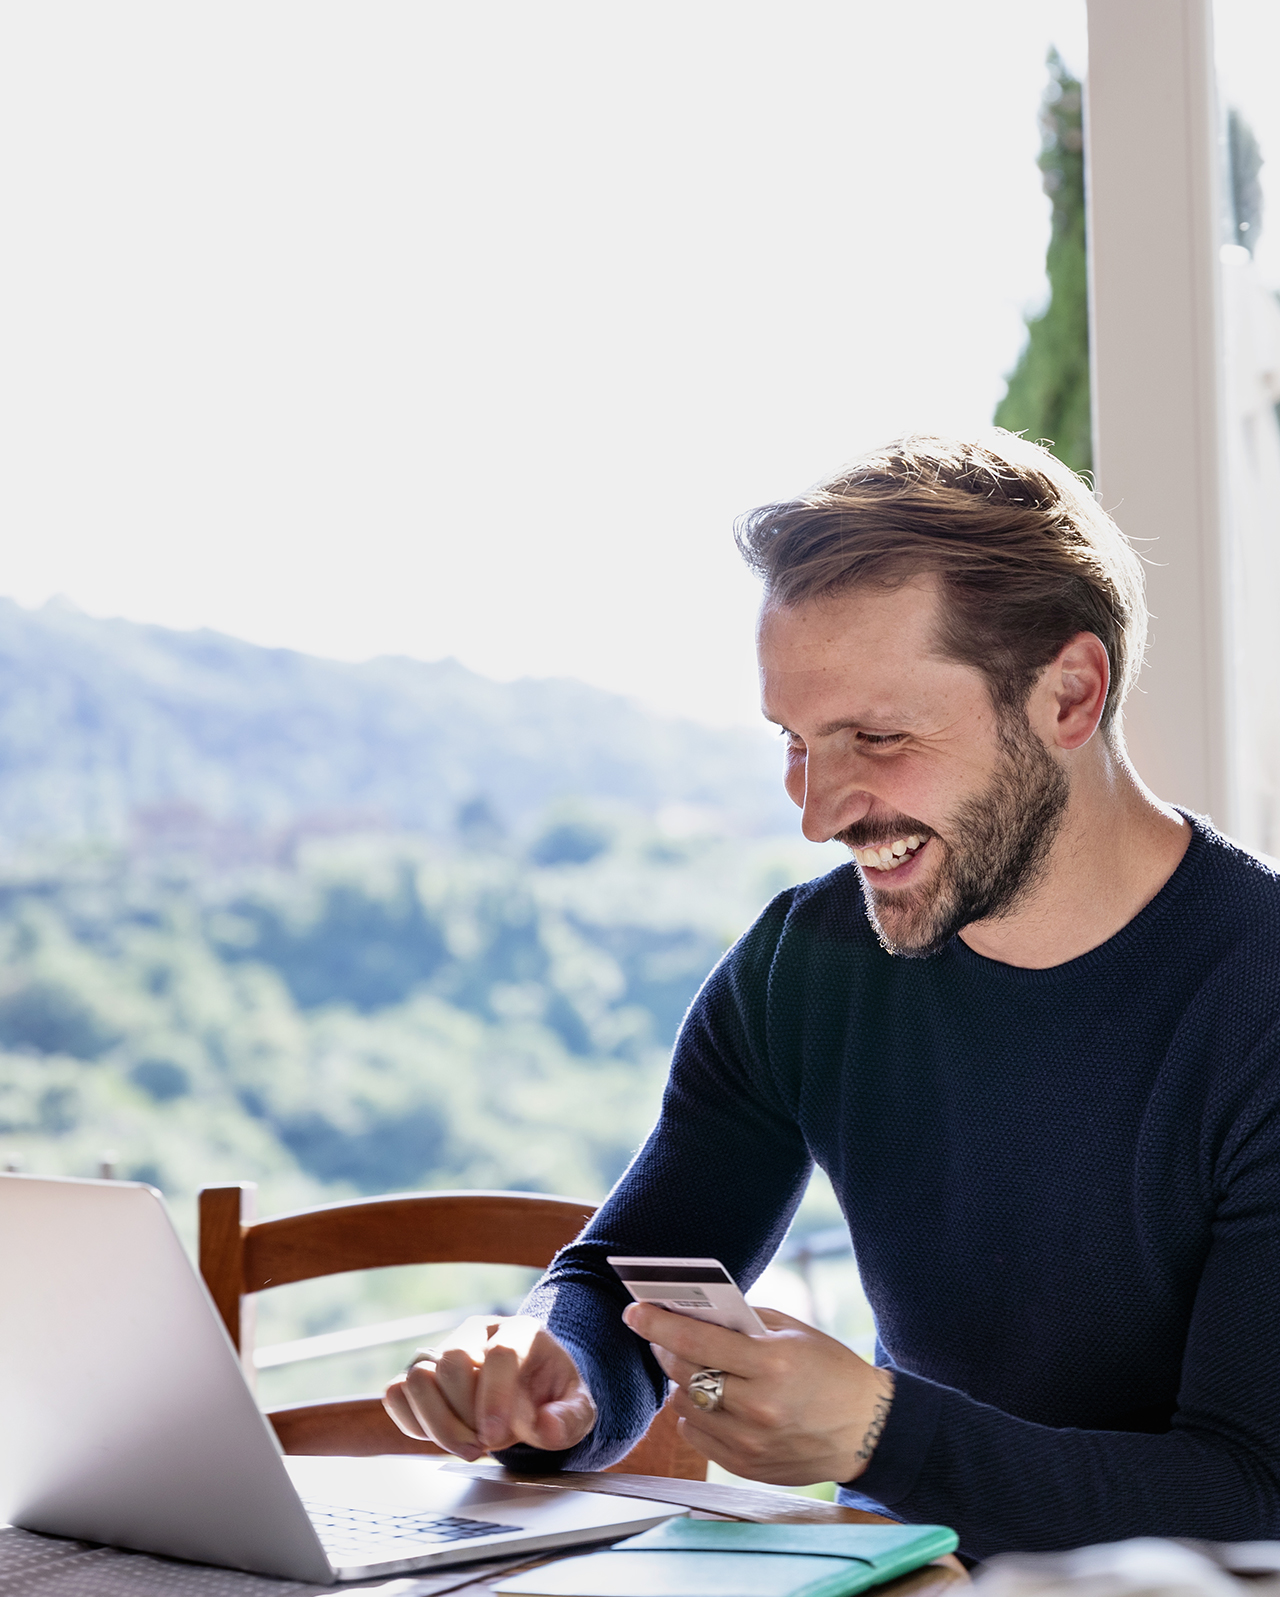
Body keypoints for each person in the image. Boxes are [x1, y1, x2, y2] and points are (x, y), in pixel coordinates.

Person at [383, 433, 1280, 1560]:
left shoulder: (1257, 1001)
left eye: (879, 736)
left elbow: (1253, 1493)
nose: (818, 812)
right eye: (795, 743)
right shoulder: (802, 966)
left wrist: (874, 1431)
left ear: (1068, 692)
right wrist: (548, 1374)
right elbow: (628, 1274)